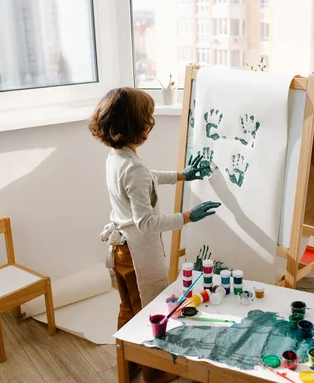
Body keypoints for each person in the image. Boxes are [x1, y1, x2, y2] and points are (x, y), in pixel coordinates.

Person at [89, 87, 220, 383]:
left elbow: (146, 177)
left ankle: (128, 362)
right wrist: (188, 217)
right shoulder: (132, 166)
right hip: (137, 252)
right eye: (148, 118)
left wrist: (182, 175)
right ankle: (154, 372)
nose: (151, 124)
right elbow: (147, 223)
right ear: (135, 126)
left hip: (120, 250)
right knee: (151, 312)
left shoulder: (117, 157)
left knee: (127, 308)